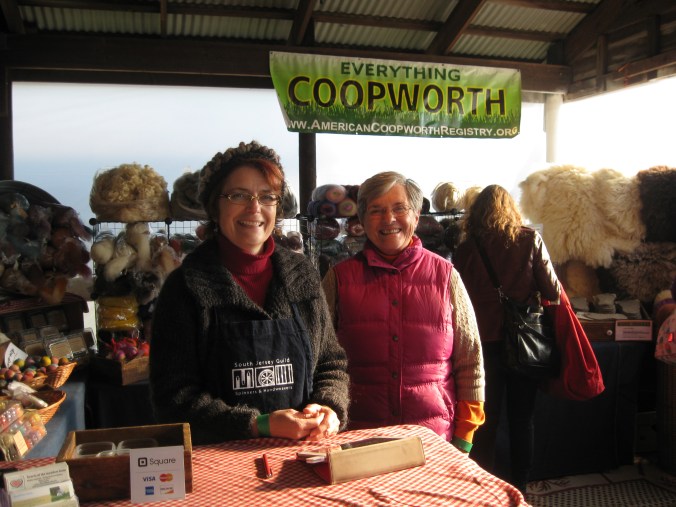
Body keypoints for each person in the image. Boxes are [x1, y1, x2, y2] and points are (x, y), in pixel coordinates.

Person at [149, 140, 349, 444]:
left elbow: (330, 363)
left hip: (303, 452)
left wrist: (329, 406)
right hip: (222, 460)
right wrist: (259, 425)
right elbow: (173, 399)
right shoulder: (186, 287)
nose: (254, 208)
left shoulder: (302, 275)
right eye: (238, 195)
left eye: (267, 196)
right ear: (215, 205)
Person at [321, 171, 486, 454]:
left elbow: (470, 360)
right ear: (362, 219)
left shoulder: (446, 276)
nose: (389, 219)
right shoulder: (338, 279)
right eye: (376, 210)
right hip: (357, 442)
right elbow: (319, 362)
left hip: (434, 443)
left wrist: (464, 437)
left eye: (400, 208)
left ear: (416, 215)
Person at [453, 184, 561, 493]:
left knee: (485, 420)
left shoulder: (465, 249)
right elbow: (552, 290)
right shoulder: (528, 239)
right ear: (511, 209)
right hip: (523, 342)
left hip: (482, 344)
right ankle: (520, 487)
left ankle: (484, 488)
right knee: (522, 419)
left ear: (476, 213)